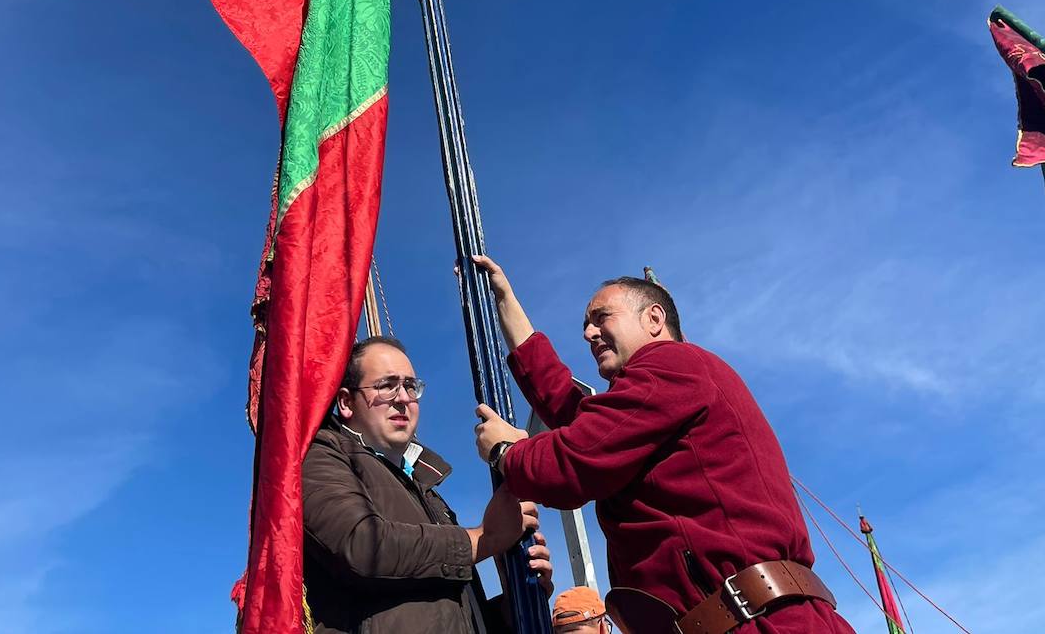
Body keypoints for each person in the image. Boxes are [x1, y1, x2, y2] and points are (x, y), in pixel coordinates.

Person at [470, 258, 855, 634]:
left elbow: (572, 461)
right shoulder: (660, 393)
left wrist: (506, 452)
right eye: (586, 325)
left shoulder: (671, 365)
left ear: (654, 319)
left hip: (753, 621)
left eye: (602, 318)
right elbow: (565, 403)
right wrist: (504, 299)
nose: (588, 334)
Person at [303, 335, 554, 634]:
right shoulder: (320, 454)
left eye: (410, 386)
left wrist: (515, 601)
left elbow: (448, 616)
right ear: (346, 402)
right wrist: (483, 540)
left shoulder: (429, 495)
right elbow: (359, 546)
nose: (403, 398)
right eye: (386, 385)